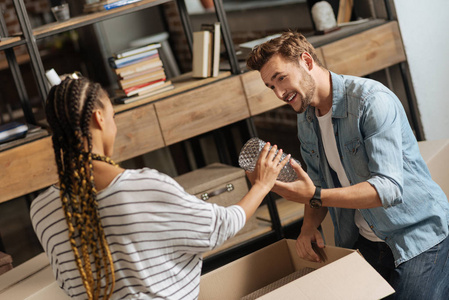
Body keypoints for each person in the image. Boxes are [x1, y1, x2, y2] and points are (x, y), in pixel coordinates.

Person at [29, 77, 289, 300]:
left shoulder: (40, 211)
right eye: (113, 116)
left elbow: (69, 283)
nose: (114, 126)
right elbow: (221, 226)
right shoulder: (141, 187)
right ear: (99, 119)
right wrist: (262, 184)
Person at [246, 31, 449, 300]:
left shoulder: (371, 102)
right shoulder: (306, 118)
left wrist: (314, 195)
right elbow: (317, 184)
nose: (279, 93)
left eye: (281, 78)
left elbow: (387, 190)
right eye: (271, 86)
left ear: (306, 61)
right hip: (365, 240)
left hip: (417, 235)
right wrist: (308, 227)